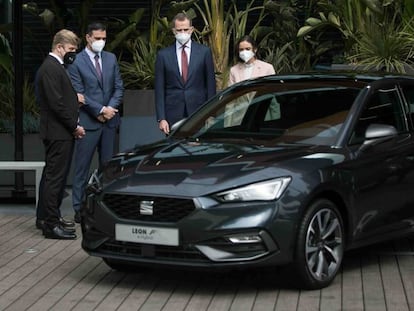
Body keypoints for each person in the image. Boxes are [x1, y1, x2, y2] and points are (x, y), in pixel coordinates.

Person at [68, 22, 124, 223]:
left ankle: (105, 210)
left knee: (108, 169)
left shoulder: (110, 58)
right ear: (88, 38)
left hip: (109, 122)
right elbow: (78, 92)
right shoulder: (76, 61)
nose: (101, 42)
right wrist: (100, 110)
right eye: (98, 38)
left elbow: (118, 87)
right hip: (89, 123)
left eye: (104, 38)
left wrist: (109, 109)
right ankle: (79, 209)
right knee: (82, 169)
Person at [36, 29, 85, 239]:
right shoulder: (50, 68)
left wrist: (74, 98)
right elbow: (56, 104)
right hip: (58, 132)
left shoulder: (55, 67)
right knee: (54, 179)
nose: (73, 53)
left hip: (59, 132)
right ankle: (51, 224)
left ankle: (47, 218)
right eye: (71, 49)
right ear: (59, 47)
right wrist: (74, 126)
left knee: (53, 177)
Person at [155, 12, 216, 135]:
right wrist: (161, 118)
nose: (182, 33)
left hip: (199, 111)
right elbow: (159, 89)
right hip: (173, 113)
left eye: (185, 29)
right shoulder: (163, 55)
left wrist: (211, 114)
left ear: (192, 29)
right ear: (173, 31)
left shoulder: (204, 52)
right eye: (179, 30)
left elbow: (210, 85)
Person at [225, 35, 276, 126]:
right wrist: (227, 126)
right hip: (240, 120)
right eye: (241, 49)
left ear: (255, 49)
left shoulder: (267, 68)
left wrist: (276, 122)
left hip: (263, 119)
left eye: (248, 48)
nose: (244, 52)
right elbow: (231, 101)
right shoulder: (234, 70)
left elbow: (273, 98)